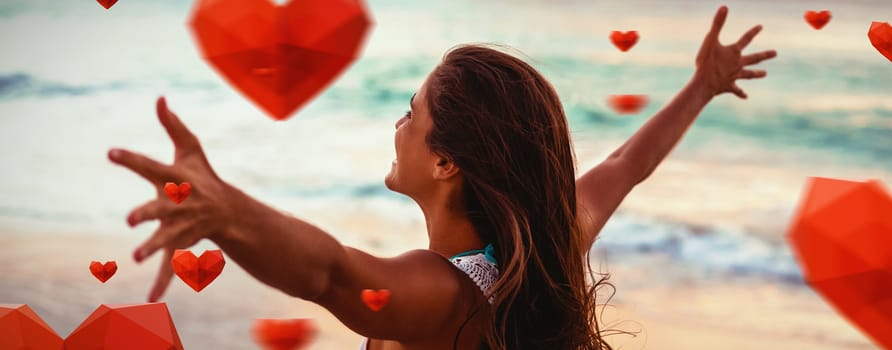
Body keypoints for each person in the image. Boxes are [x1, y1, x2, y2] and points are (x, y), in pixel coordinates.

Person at [107, 5, 775, 350]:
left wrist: (228, 213)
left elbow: (328, 273)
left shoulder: (441, 292)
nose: (396, 126)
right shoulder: (544, 244)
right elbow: (627, 166)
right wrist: (701, 87)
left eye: (410, 114)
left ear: (446, 162)